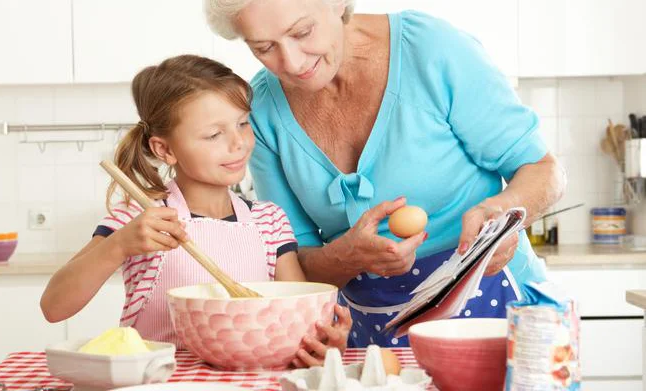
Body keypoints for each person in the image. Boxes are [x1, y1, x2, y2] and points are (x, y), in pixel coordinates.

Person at [203, 0, 566, 347]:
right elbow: (292, 266)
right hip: (370, 331)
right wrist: (348, 255)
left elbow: (543, 170)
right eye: (264, 47)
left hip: (497, 310)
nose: (292, 62)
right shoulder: (262, 112)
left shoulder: (429, 49)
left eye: (302, 32)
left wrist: (502, 215)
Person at [40, 54, 351, 367]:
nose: (238, 143)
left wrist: (325, 343)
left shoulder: (269, 221)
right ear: (165, 149)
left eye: (243, 123)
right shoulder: (141, 220)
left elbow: (296, 317)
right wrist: (119, 245)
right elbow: (54, 307)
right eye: (214, 134)